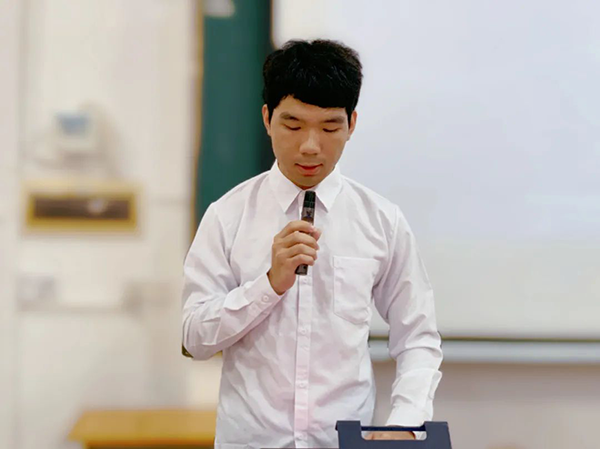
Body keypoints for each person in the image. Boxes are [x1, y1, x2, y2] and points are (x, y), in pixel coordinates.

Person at [182, 39, 442, 448]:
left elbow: (418, 337)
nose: (310, 145)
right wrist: (269, 284)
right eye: (293, 125)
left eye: (329, 127)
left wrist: (406, 422)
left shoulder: (381, 221)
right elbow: (194, 339)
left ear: (351, 124)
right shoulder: (227, 216)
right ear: (267, 119)